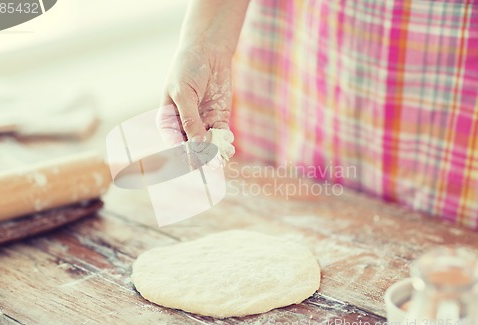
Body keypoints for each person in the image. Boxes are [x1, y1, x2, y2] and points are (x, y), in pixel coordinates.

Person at [160, 0, 478, 230]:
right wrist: (203, 43)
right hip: (306, 48)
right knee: (295, 219)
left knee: (441, 259)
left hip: (452, 61)